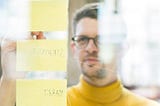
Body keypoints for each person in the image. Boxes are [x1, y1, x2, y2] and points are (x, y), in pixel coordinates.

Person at [67, 3, 160, 106]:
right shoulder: (55, 102)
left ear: (122, 48)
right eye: (82, 39)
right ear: (74, 48)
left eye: (102, 39)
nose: (90, 48)